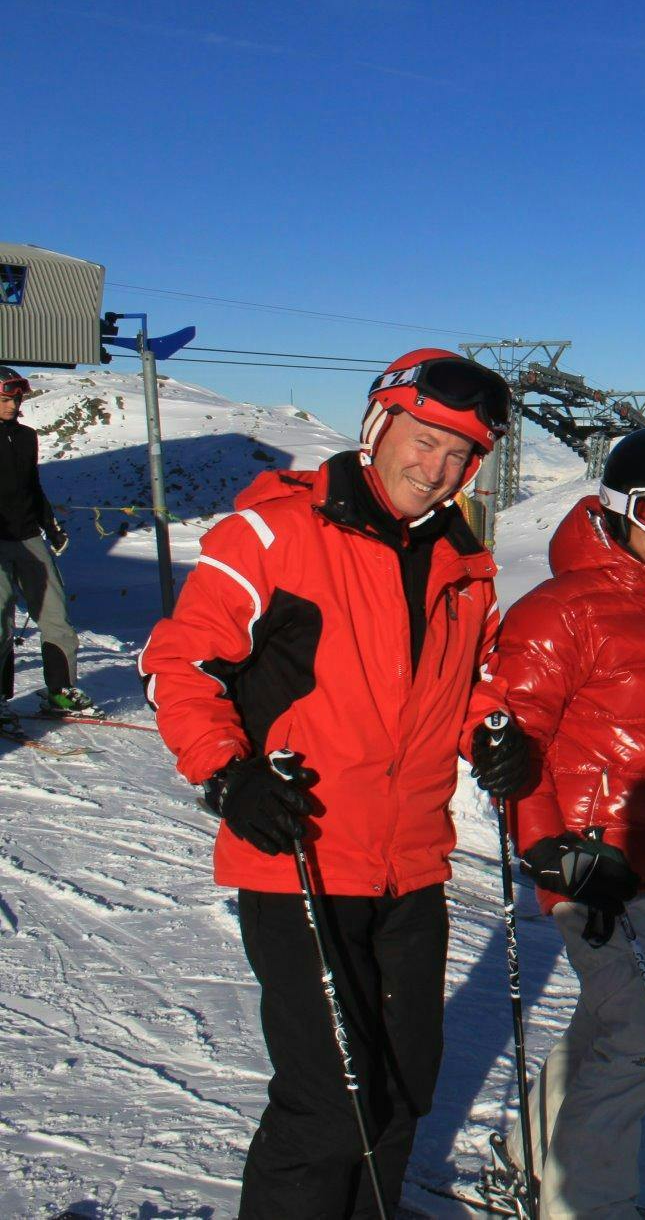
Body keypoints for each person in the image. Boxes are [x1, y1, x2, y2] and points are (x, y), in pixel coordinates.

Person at [141, 348, 528, 1218]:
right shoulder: (277, 535)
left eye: (460, 456)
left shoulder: (465, 566)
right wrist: (228, 775)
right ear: (380, 426)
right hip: (299, 855)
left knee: (401, 1088)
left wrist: (494, 736)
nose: (435, 470)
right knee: (328, 1104)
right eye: (424, 441)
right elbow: (177, 662)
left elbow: (474, 685)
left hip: (412, 866)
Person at [476, 425, 645, 1220]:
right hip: (592, 870)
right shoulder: (560, 610)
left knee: (605, 1028)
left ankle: (527, 1154)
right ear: (616, 507)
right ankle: (586, 1205)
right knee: (638, 1043)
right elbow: (508, 739)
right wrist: (550, 849)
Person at [0, 366, 92, 716]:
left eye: (16, 399)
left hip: (28, 536)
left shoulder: (25, 437)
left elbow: (32, 486)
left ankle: (61, 689)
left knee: (56, 617)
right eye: (6, 399)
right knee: (0, 618)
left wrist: (50, 526)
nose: (12, 405)